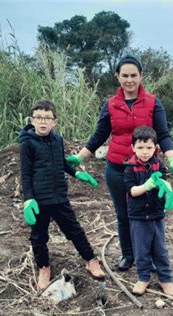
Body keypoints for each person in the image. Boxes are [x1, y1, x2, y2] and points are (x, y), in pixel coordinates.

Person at [65, 55, 173, 272]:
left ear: (141, 76)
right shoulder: (111, 104)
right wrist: (81, 157)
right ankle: (128, 255)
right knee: (124, 213)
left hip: (148, 169)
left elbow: (163, 134)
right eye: (124, 76)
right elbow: (100, 134)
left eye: (133, 75)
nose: (129, 80)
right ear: (117, 77)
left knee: (150, 213)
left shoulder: (152, 102)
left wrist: (172, 158)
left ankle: (151, 257)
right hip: (117, 167)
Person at [19, 99, 105, 290]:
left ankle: (91, 259)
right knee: (39, 237)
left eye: (47, 118)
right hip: (39, 200)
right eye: (39, 117)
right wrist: (28, 199)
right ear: (32, 120)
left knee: (74, 230)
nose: (43, 122)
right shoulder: (27, 144)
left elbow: (62, 163)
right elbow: (25, 173)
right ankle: (43, 267)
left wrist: (77, 173)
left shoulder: (58, 140)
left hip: (59, 196)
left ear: (54, 121)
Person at [123, 126, 173, 296]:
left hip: (156, 214)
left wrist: (167, 191)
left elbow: (164, 182)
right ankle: (143, 277)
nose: (144, 152)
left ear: (156, 148)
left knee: (160, 249)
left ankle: (165, 279)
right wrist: (147, 186)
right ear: (133, 148)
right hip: (138, 215)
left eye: (149, 148)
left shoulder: (159, 164)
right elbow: (131, 191)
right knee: (141, 249)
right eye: (140, 147)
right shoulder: (129, 167)